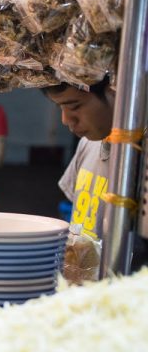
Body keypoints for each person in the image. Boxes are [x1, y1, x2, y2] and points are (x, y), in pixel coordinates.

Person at [42, 79, 114, 241]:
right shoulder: (88, 144)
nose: (66, 120)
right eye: (60, 107)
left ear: (114, 91)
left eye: (75, 106)